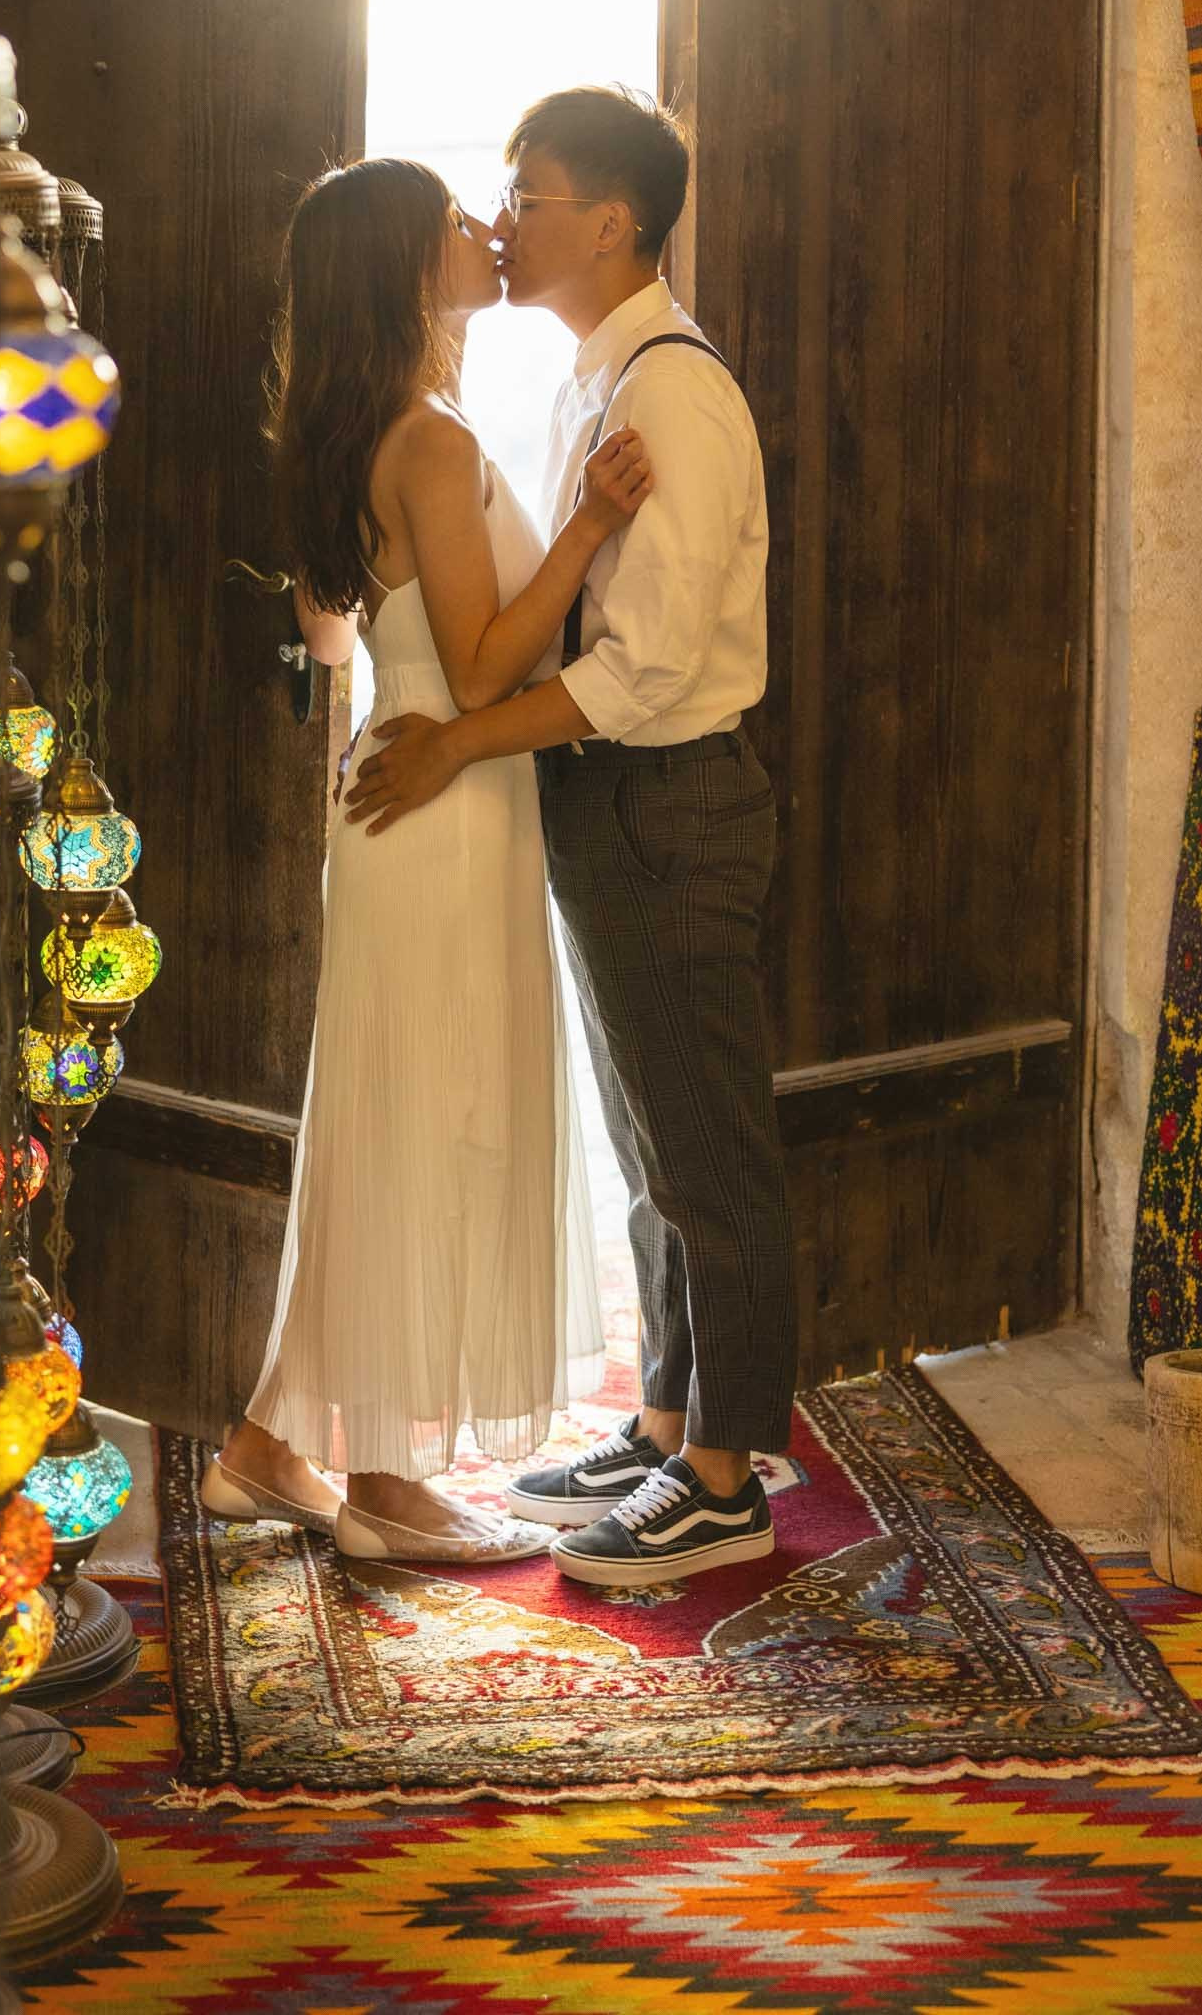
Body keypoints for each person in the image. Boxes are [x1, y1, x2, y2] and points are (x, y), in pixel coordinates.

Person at [345, 88, 794, 1591]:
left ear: (607, 223)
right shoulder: (592, 385)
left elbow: (646, 668)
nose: (500, 216)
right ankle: (666, 1421)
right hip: (607, 801)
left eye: (525, 192)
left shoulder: (673, 394)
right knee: (653, 1139)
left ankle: (724, 1479)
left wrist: (459, 740)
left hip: (673, 796)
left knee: (710, 1150)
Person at [202, 157, 652, 1563]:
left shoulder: (363, 431)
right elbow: (480, 667)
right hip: (443, 803)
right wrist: (590, 524)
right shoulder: (432, 440)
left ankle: (269, 1444)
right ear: (405, 264)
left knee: (383, 1110)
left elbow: (336, 634)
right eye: (457, 218)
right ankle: (386, 1489)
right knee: (422, 1119)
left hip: (414, 796)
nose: (484, 230)